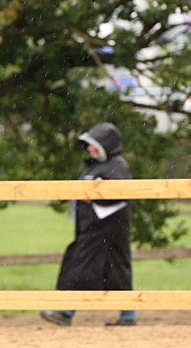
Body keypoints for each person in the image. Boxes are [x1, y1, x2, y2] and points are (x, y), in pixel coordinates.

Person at [41, 122, 137, 327]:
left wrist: (94, 198)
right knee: (85, 265)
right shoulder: (95, 167)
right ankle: (124, 315)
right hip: (92, 228)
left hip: (110, 227)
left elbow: (121, 193)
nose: (89, 149)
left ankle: (66, 312)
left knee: (105, 268)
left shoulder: (117, 166)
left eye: (94, 145)